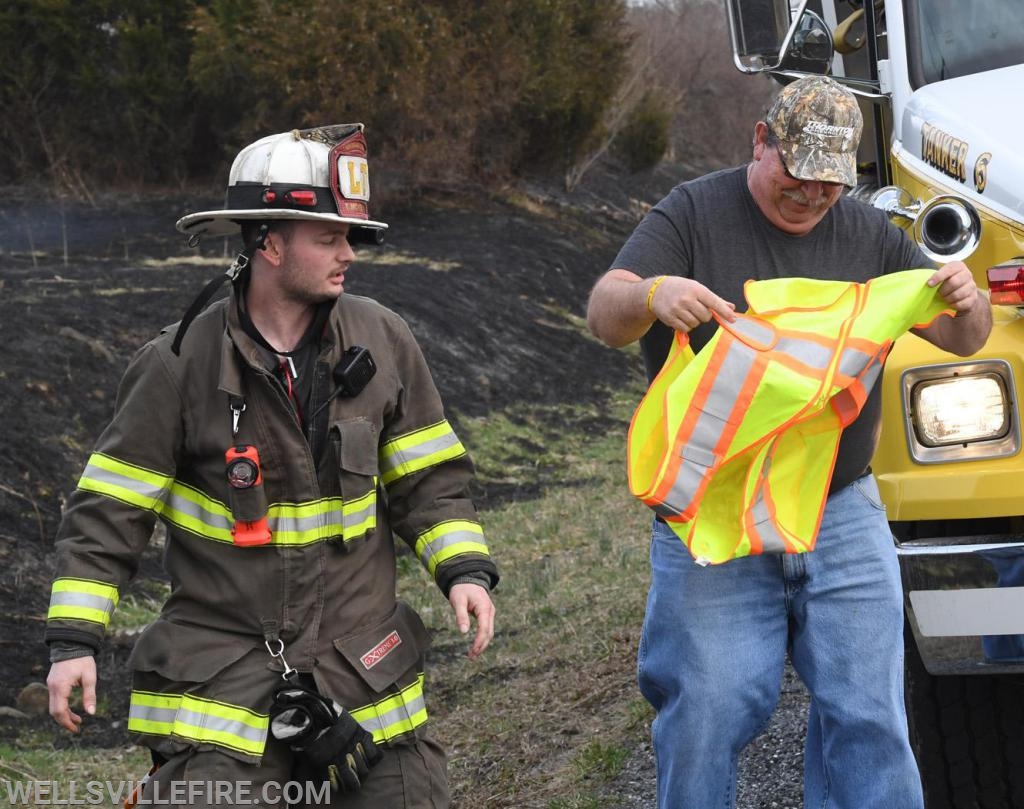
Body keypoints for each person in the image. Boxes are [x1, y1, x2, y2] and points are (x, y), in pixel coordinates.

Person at [44, 123, 499, 808]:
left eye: (350, 236)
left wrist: (463, 570)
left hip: (362, 672)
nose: (349, 253)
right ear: (269, 242)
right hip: (226, 688)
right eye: (329, 237)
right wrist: (74, 640)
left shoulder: (384, 340)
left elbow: (428, 478)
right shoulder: (177, 365)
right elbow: (109, 511)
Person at [586, 76, 990, 808]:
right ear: (760, 141)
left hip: (841, 509)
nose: (810, 198)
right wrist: (652, 295)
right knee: (708, 708)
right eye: (796, 177)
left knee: (869, 713)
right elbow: (603, 311)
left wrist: (970, 302)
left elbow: (960, 336)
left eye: (829, 186)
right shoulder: (691, 212)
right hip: (715, 511)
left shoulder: (869, 233)